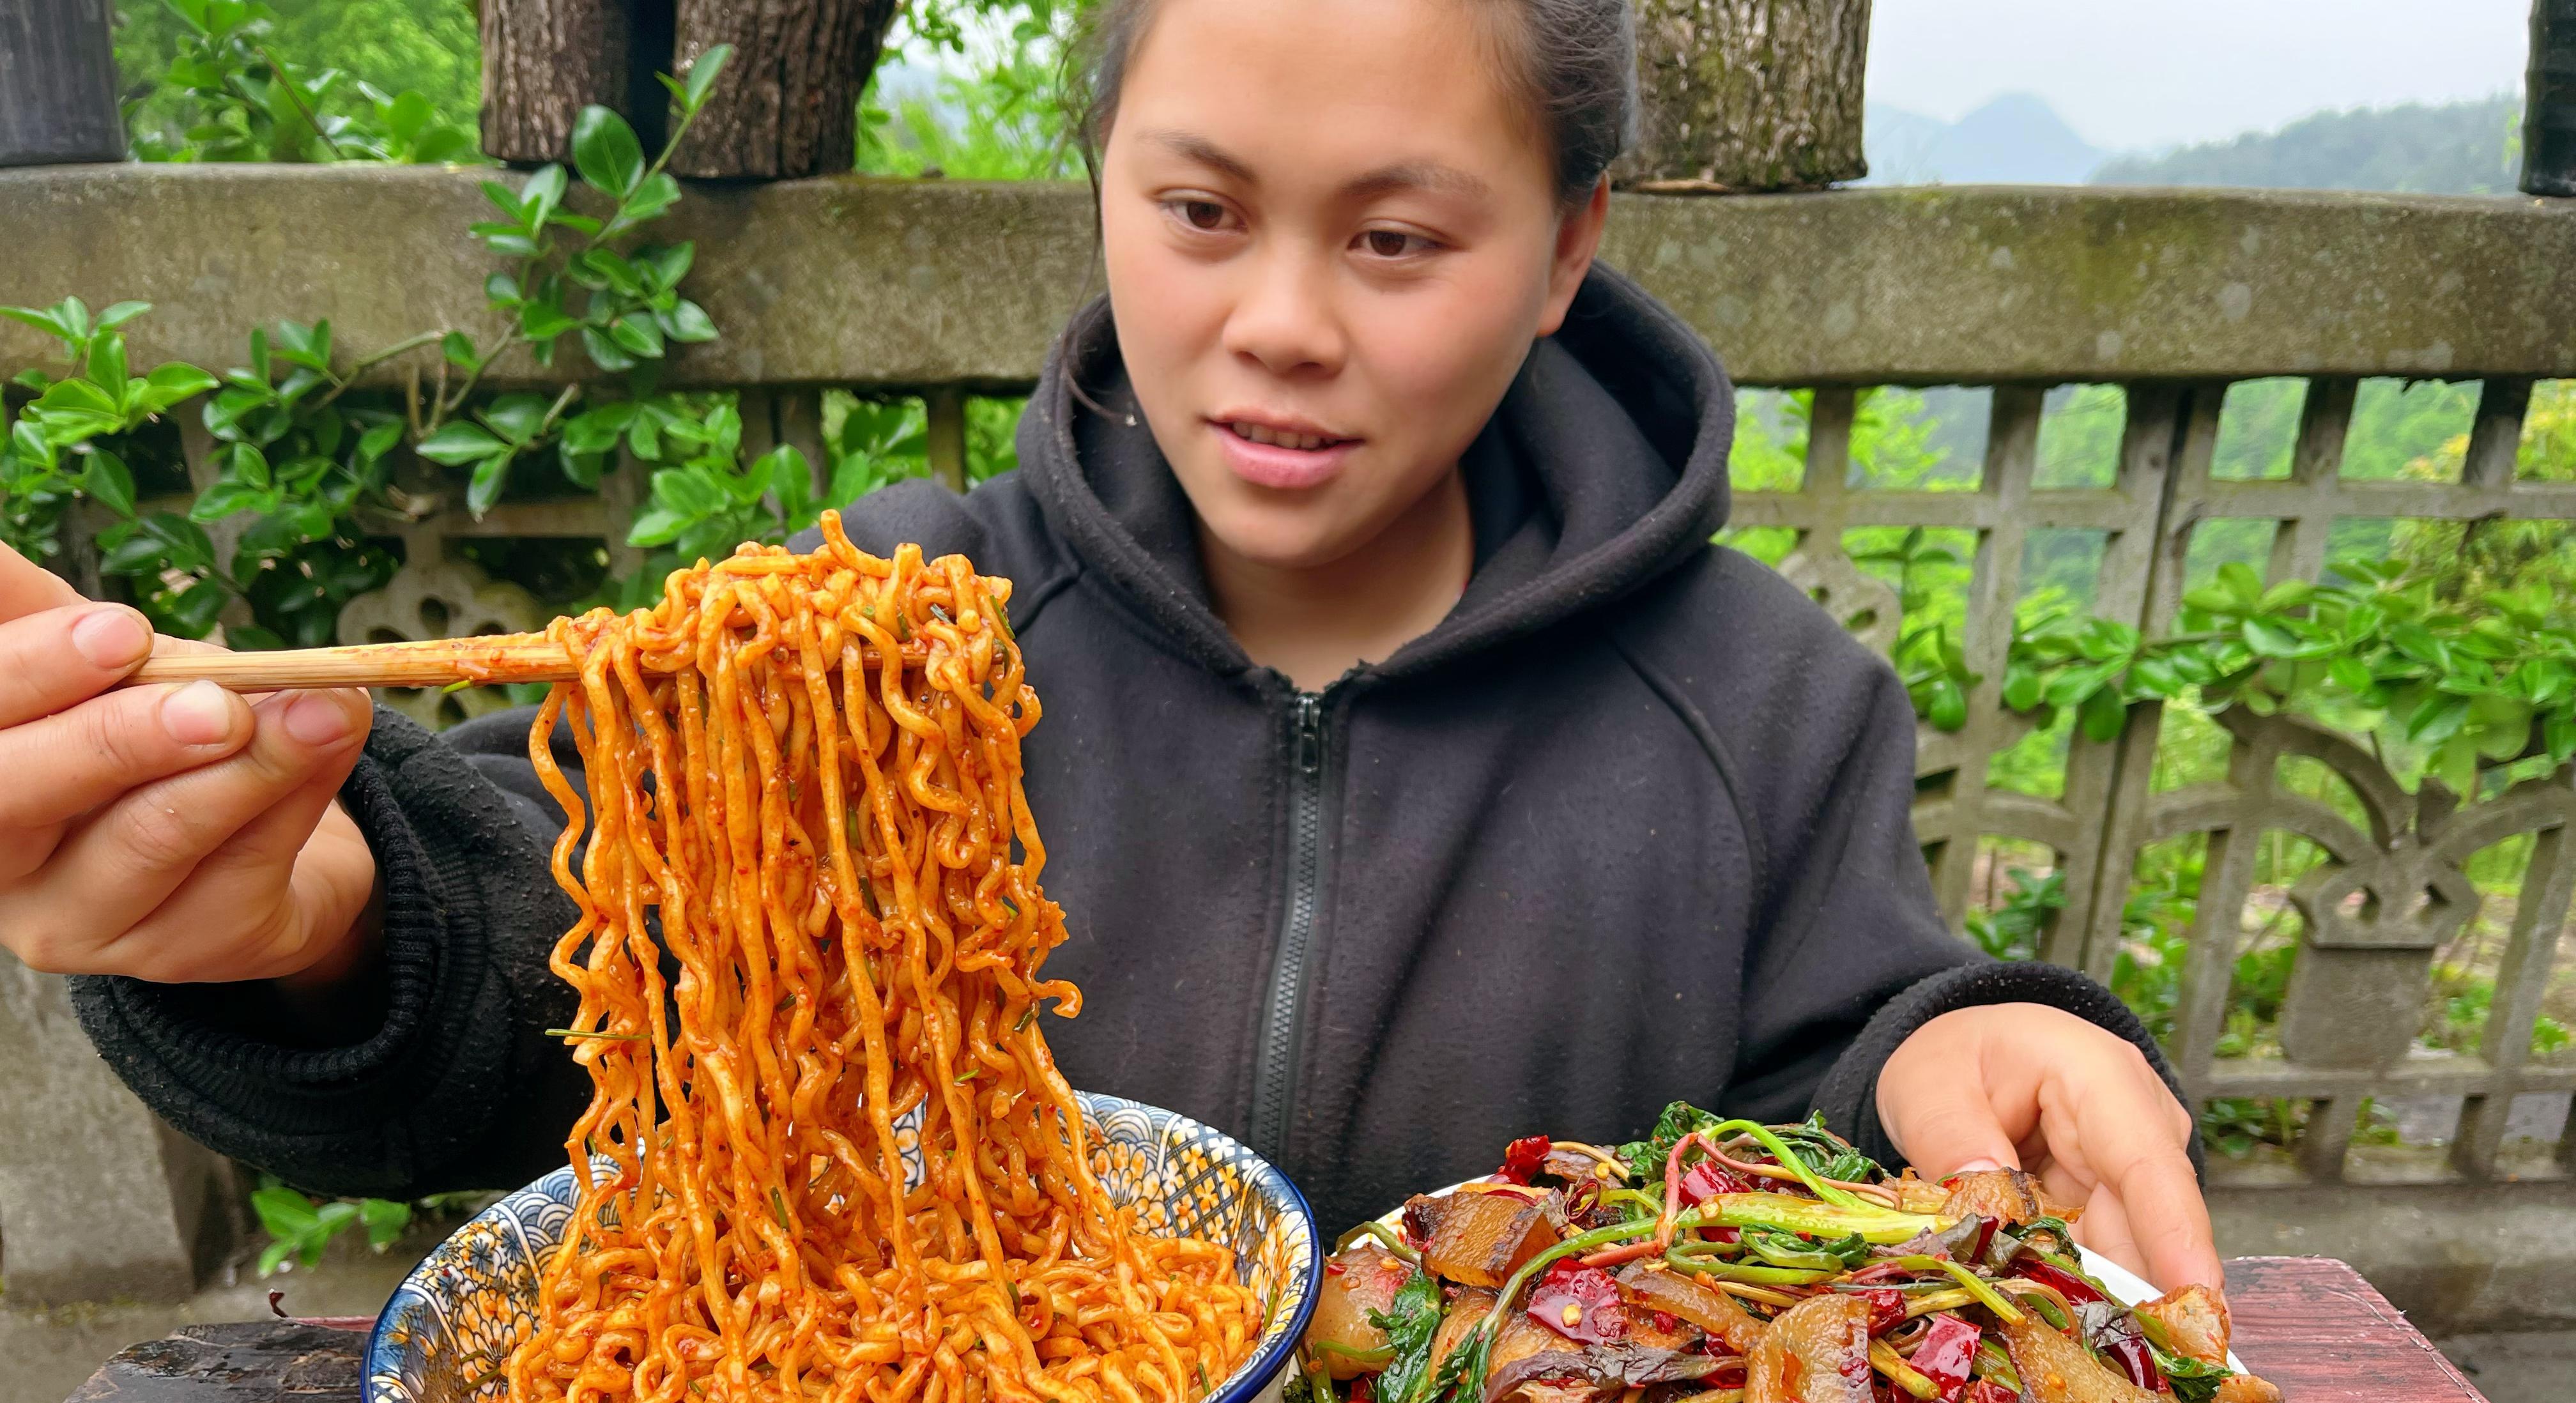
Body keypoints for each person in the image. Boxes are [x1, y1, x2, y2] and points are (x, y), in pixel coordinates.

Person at [0, 0, 2218, 1291]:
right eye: (1199, 209)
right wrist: (310, 920)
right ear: (1104, 190)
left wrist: (1959, 1048)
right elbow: (536, 965)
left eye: (1398, 236)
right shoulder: (886, 619)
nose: (1274, 320)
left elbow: (1838, 1097)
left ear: (1566, 250)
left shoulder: (1763, 707)